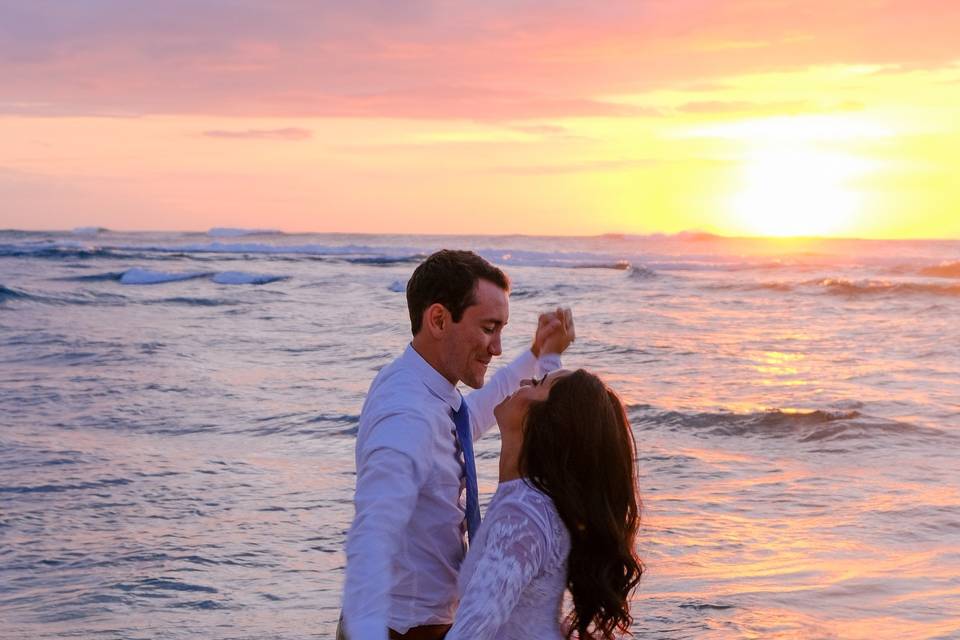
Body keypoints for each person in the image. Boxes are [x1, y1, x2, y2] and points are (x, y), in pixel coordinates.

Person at [339, 249, 575, 640]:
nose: (496, 347)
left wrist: (537, 355)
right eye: (488, 328)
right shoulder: (407, 417)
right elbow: (374, 529)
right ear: (438, 319)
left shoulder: (421, 385)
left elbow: (474, 415)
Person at [446, 368, 643, 640]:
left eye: (538, 383)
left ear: (545, 422)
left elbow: (468, 633)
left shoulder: (522, 516)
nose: (525, 380)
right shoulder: (537, 505)